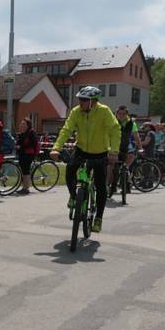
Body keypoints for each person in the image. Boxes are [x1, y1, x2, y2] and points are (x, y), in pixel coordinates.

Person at [49, 86, 120, 233]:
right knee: (70, 170)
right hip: (81, 150)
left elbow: (114, 129)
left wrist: (113, 151)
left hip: (100, 152)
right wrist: (56, 147)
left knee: (101, 186)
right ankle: (74, 197)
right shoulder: (76, 112)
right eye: (79, 99)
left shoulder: (104, 111)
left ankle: (98, 218)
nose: (80, 102)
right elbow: (66, 130)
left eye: (83, 100)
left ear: (93, 101)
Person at [108, 105, 140, 195]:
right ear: (116, 114)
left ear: (127, 114)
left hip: (126, 146)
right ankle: (111, 186)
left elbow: (136, 136)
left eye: (123, 114)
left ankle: (126, 183)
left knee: (126, 164)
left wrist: (140, 147)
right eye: (119, 114)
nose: (121, 115)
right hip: (115, 146)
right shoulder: (112, 122)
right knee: (113, 167)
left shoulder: (131, 123)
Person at [16, 118, 39, 194]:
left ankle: (26, 188)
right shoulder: (22, 133)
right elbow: (19, 142)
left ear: (28, 125)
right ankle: (24, 187)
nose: (22, 125)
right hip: (22, 153)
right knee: (23, 171)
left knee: (26, 171)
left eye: (24, 124)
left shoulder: (31, 132)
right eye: (21, 124)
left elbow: (32, 143)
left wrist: (21, 146)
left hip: (29, 154)